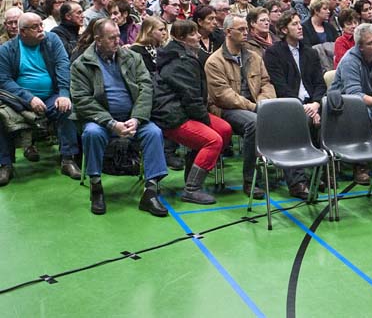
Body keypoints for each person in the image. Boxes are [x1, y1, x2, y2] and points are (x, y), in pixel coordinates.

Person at [70, 18, 169, 216]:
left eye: (118, 36)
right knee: (91, 133)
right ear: (98, 39)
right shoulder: (81, 64)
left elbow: (146, 88)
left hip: (133, 119)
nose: (118, 41)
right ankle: (96, 186)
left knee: (154, 132)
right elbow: (81, 100)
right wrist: (111, 123)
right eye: (112, 38)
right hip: (102, 120)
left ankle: (150, 192)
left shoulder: (132, 57)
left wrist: (137, 118)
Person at [152, 20, 232, 205]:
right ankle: (192, 189)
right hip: (172, 115)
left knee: (225, 129)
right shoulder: (180, 61)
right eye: (193, 34)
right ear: (181, 38)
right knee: (213, 140)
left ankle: (194, 159)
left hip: (185, 111)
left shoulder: (184, 55)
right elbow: (190, 97)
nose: (198, 37)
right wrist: (204, 120)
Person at [0, 13, 82, 185]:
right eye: (35, 27)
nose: (41, 29)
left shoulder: (52, 40)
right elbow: (4, 80)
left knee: (67, 109)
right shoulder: (7, 49)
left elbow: (62, 65)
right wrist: (29, 99)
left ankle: (68, 159)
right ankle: (5, 164)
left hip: (51, 96)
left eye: (41, 25)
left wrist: (64, 94)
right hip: (18, 101)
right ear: (23, 32)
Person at [205, 14, 278, 200]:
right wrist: (255, 107)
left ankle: (294, 175)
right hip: (226, 110)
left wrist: (263, 102)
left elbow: (266, 83)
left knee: (286, 115)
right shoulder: (215, 61)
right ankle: (250, 179)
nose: (246, 33)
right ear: (229, 32)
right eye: (242, 30)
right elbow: (224, 96)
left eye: (247, 29)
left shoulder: (254, 56)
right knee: (253, 123)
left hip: (255, 105)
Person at [330, 23, 372, 183]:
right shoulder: (350, 61)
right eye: (371, 43)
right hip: (343, 106)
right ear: (360, 47)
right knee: (361, 113)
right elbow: (355, 96)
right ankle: (360, 163)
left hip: (371, 102)